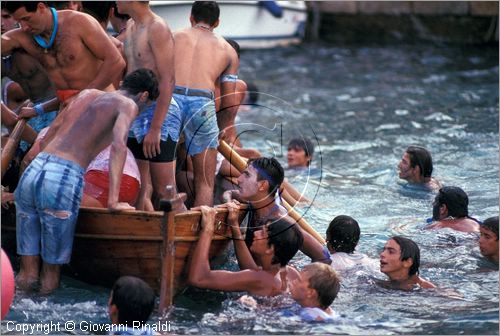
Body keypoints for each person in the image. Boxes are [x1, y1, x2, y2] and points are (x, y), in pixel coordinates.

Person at [14, 68, 159, 293]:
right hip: (62, 177)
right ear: (144, 96)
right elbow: (119, 146)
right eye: (147, 107)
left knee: (27, 272)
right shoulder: (128, 105)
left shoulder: (85, 94)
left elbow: (50, 133)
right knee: (50, 273)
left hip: (35, 169)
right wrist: (113, 201)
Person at [173, 1, 239, 207]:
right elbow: (229, 102)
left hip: (171, 100)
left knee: (161, 178)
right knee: (205, 183)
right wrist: (223, 127)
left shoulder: (173, 37)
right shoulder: (228, 50)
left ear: (191, 17)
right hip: (201, 103)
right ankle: (202, 229)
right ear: (217, 23)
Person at [116, 1, 181, 211]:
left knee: (165, 190)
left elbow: (168, 80)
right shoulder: (132, 27)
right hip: (135, 112)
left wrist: (156, 127)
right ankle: (147, 238)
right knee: (139, 188)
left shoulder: (157, 27)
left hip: (158, 112)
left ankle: (187, 238)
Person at [2, 1, 125, 110]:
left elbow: (116, 61)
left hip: (100, 102)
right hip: (67, 108)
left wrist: (84, 96)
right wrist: (38, 109)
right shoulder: (20, 37)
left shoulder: (79, 21)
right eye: (19, 22)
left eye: (27, 19)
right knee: (47, 136)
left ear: (41, 7)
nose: (24, 27)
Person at [223, 157, 331, 264]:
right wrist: (229, 201)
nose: (239, 179)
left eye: (247, 175)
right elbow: (230, 193)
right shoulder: (255, 202)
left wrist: (304, 278)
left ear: (262, 185)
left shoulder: (281, 223)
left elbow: (324, 257)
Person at [188, 205, 302, 296]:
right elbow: (252, 272)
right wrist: (234, 225)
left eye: (262, 233)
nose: (256, 233)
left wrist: (208, 229)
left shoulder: (258, 279)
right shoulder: (292, 273)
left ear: (270, 249)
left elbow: (199, 278)